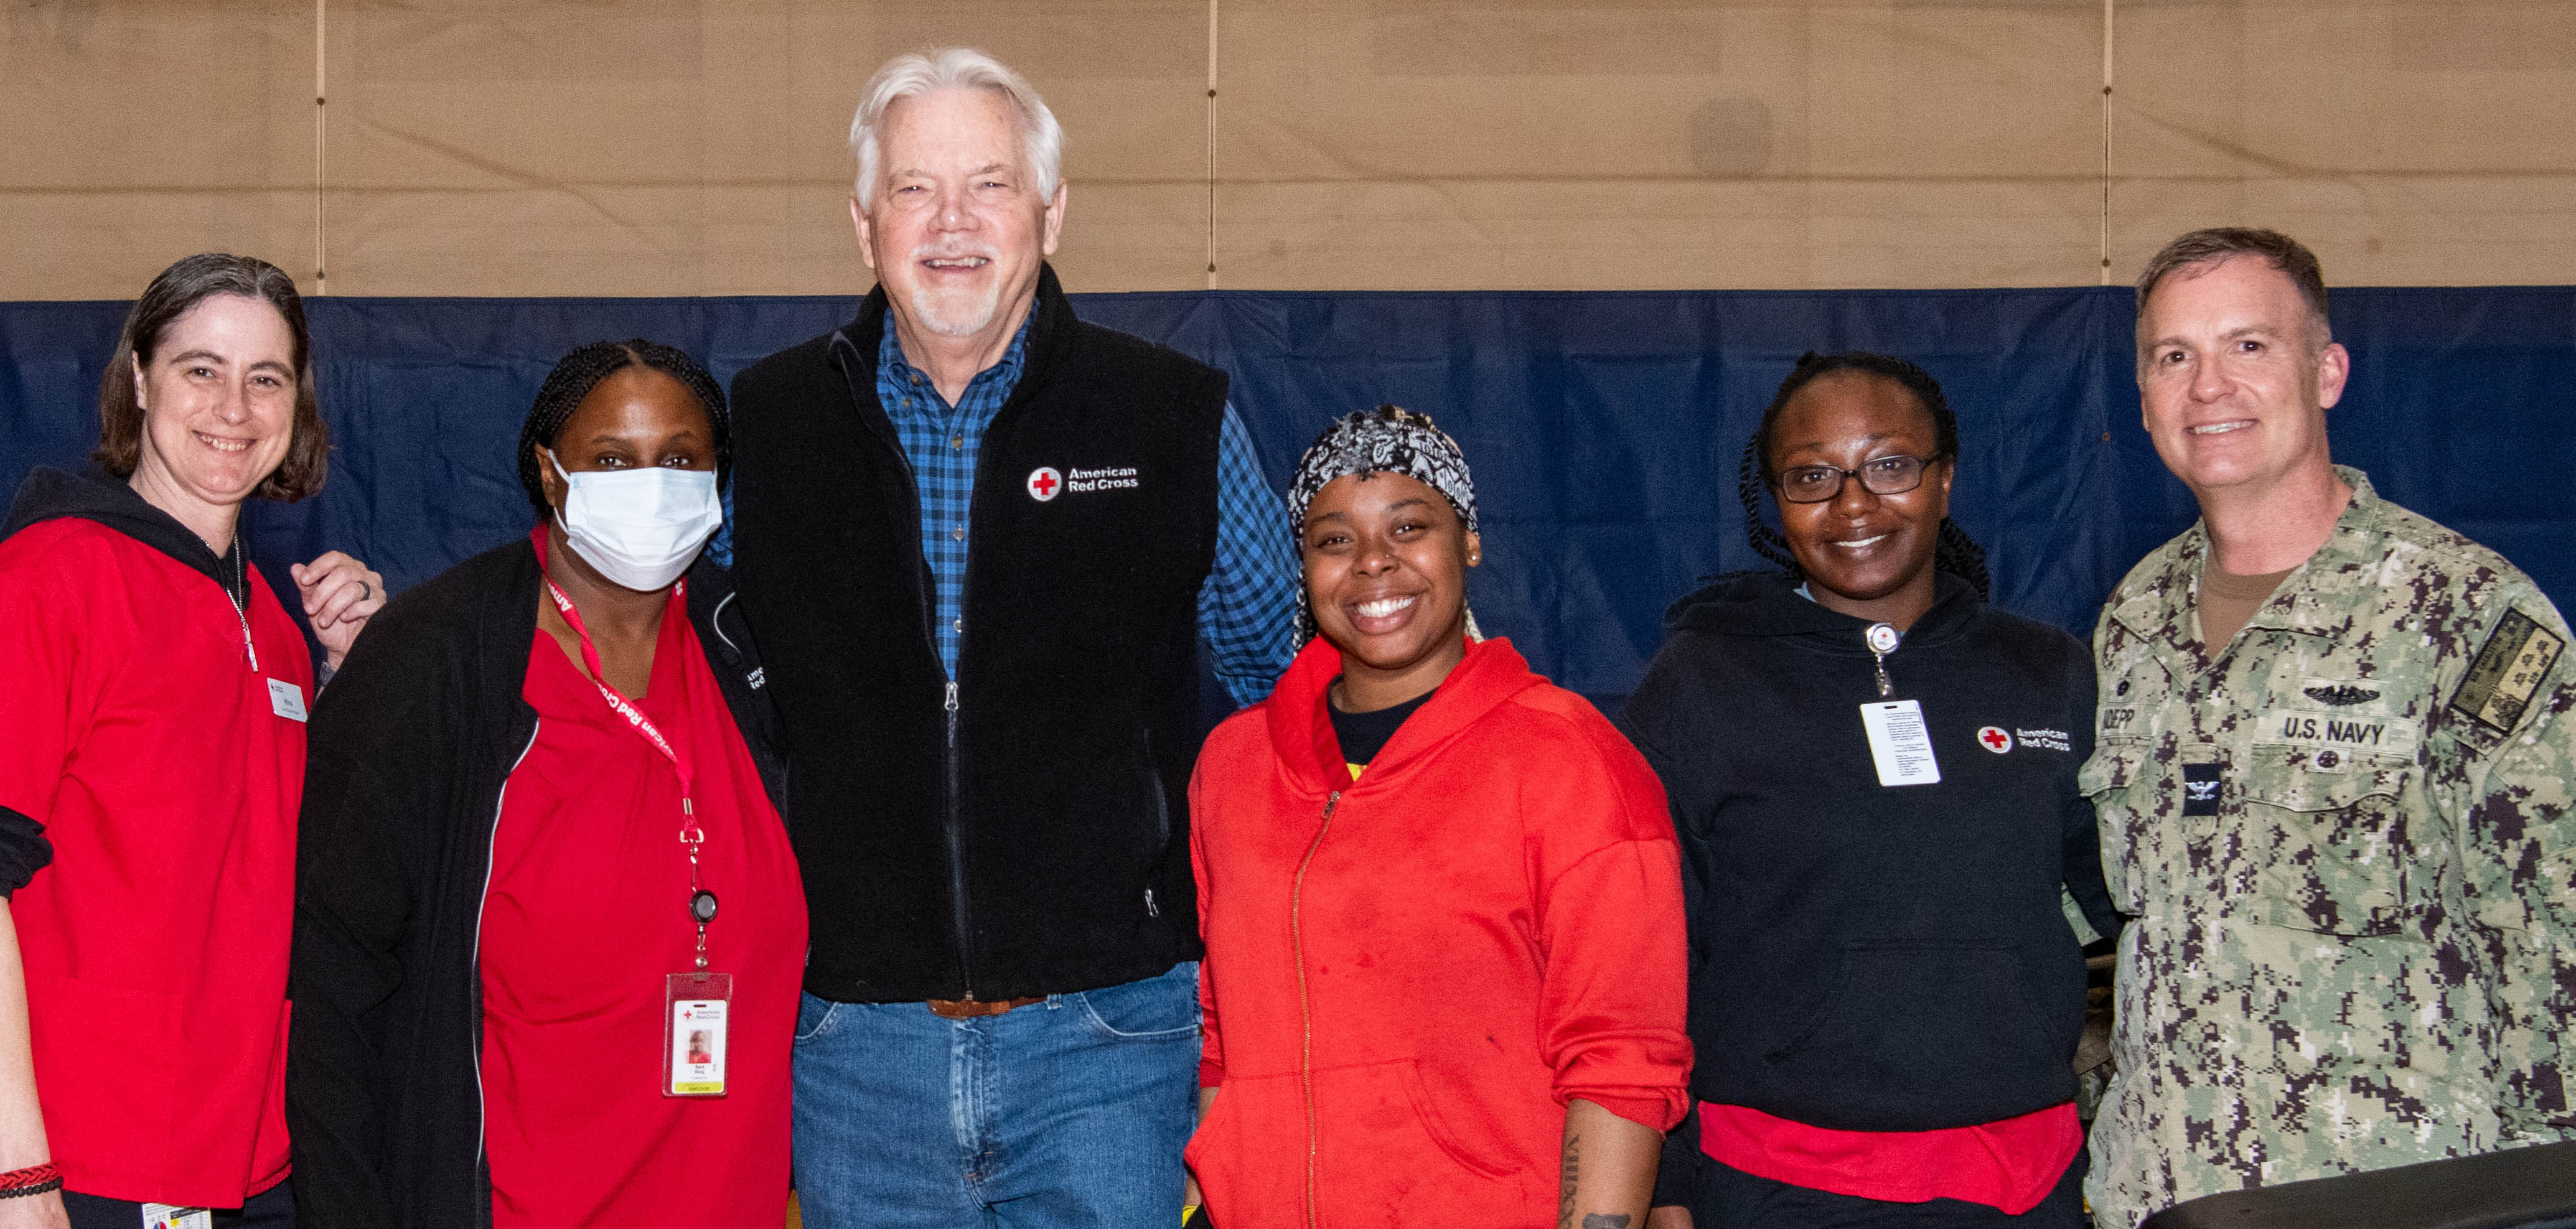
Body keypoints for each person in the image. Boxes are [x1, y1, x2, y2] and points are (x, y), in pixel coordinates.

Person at [722, 46, 1304, 1227]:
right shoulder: (766, 426)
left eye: (988, 184)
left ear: (1050, 210)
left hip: (1109, 1034)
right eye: (913, 189)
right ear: (862, 222)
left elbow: (1280, 687)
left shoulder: (1172, 417)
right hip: (850, 1041)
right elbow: (667, 667)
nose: (951, 223)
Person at [2084, 227, 2576, 1225]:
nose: (2206, 387)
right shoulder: (2133, 620)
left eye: (2247, 346)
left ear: (2325, 373)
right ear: (2143, 397)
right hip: (2166, 1196)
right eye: (2172, 356)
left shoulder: (2463, 612)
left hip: (2396, 1195)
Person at [0, 253, 383, 1227]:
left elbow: (278, 865)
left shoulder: (273, 623)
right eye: (199, 369)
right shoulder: (40, 585)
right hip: (82, 1156)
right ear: (137, 380)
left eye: (267, 378)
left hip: (248, 1149)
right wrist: (21, 1178)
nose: (235, 407)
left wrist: (349, 677)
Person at [291, 340, 799, 1227]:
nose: (650, 482)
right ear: (551, 472)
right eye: (611, 458)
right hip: (512, 1201)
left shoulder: (754, 646)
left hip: (728, 1197)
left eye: (681, 457)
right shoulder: (435, 661)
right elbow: (332, 991)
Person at [1625, 353, 2120, 1228]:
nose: (1853, 505)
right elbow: (1643, 957)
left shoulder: (2046, 672)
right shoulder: (1701, 682)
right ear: (1774, 501)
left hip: (2020, 1179)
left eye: (1889, 466)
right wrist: (1665, 1184)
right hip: (1778, 1182)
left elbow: (2135, 904)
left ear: (1944, 480)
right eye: (1812, 476)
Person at [1183, 406, 1691, 1228]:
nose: (1373, 562)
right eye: (1333, 539)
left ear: (1469, 543)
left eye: (1409, 527)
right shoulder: (1233, 766)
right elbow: (1219, 1030)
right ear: (1302, 567)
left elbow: (1622, 1060)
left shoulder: (1569, 759)